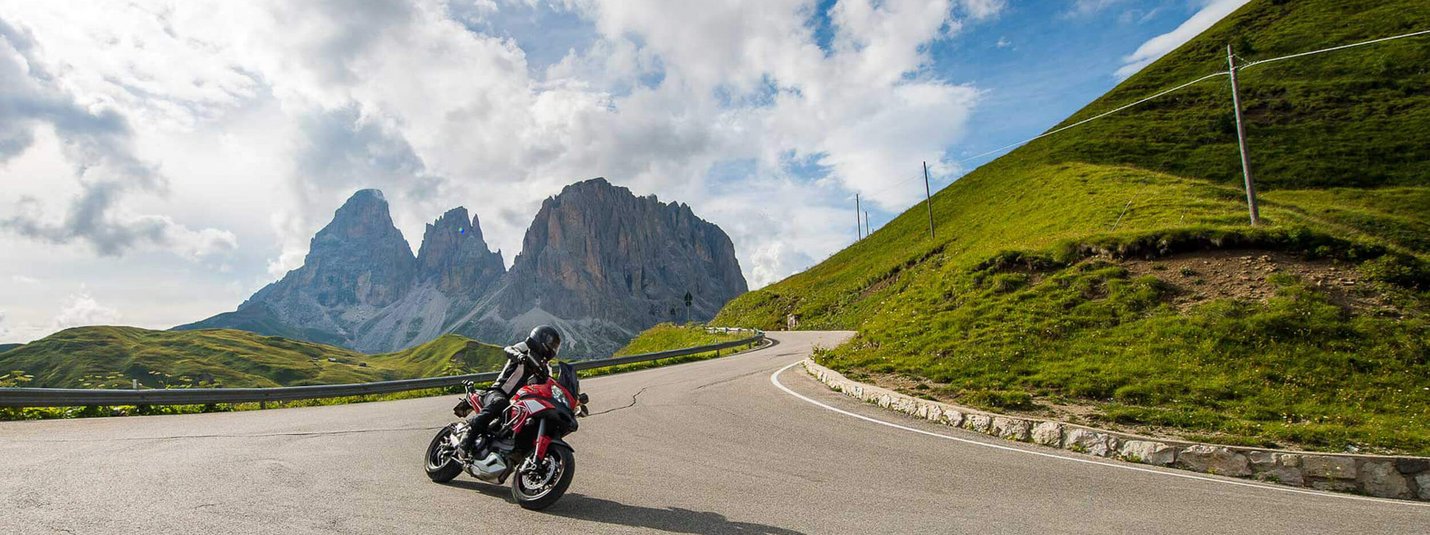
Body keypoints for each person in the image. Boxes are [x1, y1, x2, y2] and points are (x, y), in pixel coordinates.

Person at [459, 325, 563, 459]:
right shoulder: (525, 349)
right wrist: (519, 356)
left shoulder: (546, 368)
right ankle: (468, 434)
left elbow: (549, 385)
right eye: (551, 343)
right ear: (541, 338)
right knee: (500, 403)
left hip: (519, 402)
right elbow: (509, 349)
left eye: (555, 346)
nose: (553, 348)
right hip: (499, 392)